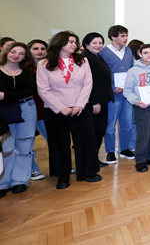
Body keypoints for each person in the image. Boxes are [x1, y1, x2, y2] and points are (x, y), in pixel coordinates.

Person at [36, 31, 101, 189]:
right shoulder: (44, 64)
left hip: (80, 108)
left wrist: (80, 104)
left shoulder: (82, 60)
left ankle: (86, 172)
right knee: (59, 143)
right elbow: (43, 90)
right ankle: (63, 175)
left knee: (85, 140)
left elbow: (88, 83)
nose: (74, 44)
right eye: (70, 41)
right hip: (56, 110)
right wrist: (61, 108)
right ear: (59, 42)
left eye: (75, 42)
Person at [123, 44, 150, 173]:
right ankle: (141, 160)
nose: (149, 55)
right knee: (142, 135)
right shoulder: (133, 71)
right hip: (142, 108)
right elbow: (127, 91)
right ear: (140, 54)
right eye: (146, 52)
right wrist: (137, 101)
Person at [0, 42, 38, 197]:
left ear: (25, 56)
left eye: (21, 53)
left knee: (25, 144)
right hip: (3, 111)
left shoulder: (30, 72)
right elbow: (24, 92)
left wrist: (5, 95)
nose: (17, 55)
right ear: (6, 52)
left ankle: (20, 181)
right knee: (6, 147)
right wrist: (16, 95)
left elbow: (31, 91)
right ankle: (3, 182)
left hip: (27, 108)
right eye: (13, 52)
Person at [100, 25, 135, 163]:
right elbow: (102, 75)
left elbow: (132, 71)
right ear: (113, 37)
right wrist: (112, 88)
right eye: (122, 36)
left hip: (127, 94)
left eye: (126, 35)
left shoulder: (128, 51)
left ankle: (124, 148)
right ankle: (110, 151)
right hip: (113, 95)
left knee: (127, 123)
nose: (126, 38)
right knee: (110, 125)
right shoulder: (104, 52)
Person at [81, 32, 114, 167]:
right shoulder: (86, 59)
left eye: (100, 43)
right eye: (94, 43)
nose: (98, 45)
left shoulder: (97, 57)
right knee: (93, 132)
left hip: (102, 100)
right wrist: (94, 101)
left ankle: (93, 159)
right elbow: (88, 83)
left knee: (99, 131)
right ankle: (89, 162)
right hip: (94, 103)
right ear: (86, 44)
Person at [27, 39, 48, 181]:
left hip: (45, 110)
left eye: (42, 48)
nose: (39, 51)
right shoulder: (23, 68)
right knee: (28, 142)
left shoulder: (49, 66)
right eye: (35, 48)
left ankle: (60, 166)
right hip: (27, 109)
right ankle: (33, 169)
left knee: (54, 139)